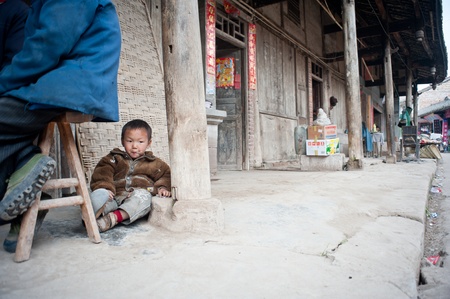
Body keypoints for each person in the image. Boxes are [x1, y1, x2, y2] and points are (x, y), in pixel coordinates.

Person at [0, 0, 122, 252]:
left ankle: (22, 174)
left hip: (72, 84)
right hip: (63, 83)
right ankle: (25, 164)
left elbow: (45, 47)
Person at [90, 119, 171, 232]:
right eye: (129, 141)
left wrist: (163, 187)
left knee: (144, 197)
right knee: (100, 195)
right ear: (122, 141)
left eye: (140, 142)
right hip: (112, 197)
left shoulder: (154, 163)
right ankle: (91, 214)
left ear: (149, 143)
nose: (134, 146)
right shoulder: (114, 158)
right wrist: (106, 188)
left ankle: (113, 218)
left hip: (134, 199)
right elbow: (103, 172)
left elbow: (166, 175)